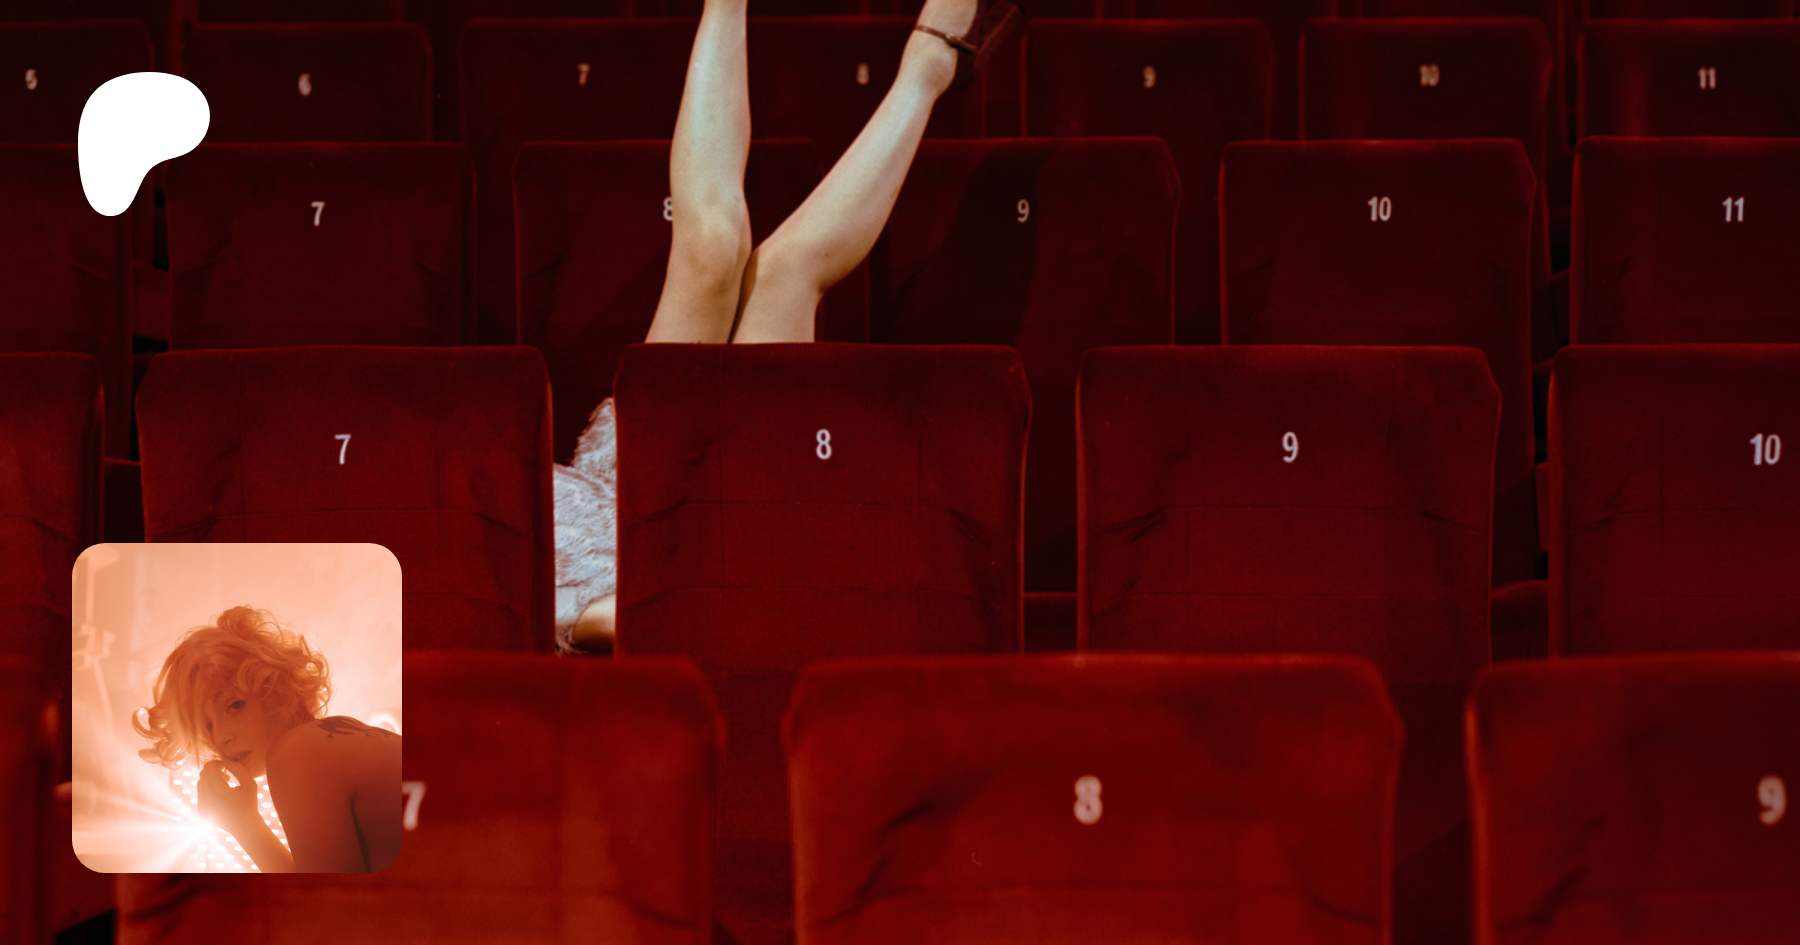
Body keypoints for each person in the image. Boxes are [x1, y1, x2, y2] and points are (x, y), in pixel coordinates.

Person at [554, 0, 1023, 653]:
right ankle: (931, 65)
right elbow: (669, 616)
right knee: (785, 269)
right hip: (717, 524)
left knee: (713, 245)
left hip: (624, 464)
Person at [132, 606, 402, 873]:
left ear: (277, 688)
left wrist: (243, 825)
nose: (221, 737)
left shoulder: (298, 752)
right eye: (208, 726)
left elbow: (325, 898)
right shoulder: (341, 735)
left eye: (235, 705)